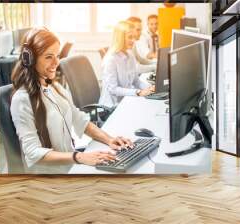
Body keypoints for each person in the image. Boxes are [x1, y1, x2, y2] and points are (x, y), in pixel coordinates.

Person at [10, 27, 133, 174]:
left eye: (57, 55)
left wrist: (109, 139)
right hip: (49, 174)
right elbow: (33, 152)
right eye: (49, 57)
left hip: (70, 164)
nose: (56, 62)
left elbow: (80, 120)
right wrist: (79, 157)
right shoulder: (22, 100)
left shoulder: (55, 88)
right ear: (29, 59)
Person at [99, 21, 155, 108]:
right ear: (120, 38)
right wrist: (138, 92)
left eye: (134, 37)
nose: (133, 40)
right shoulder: (111, 59)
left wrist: (150, 88)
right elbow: (113, 89)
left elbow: (136, 81)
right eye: (130, 37)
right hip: (111, 107)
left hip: (126, 100)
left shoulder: (130, 55)